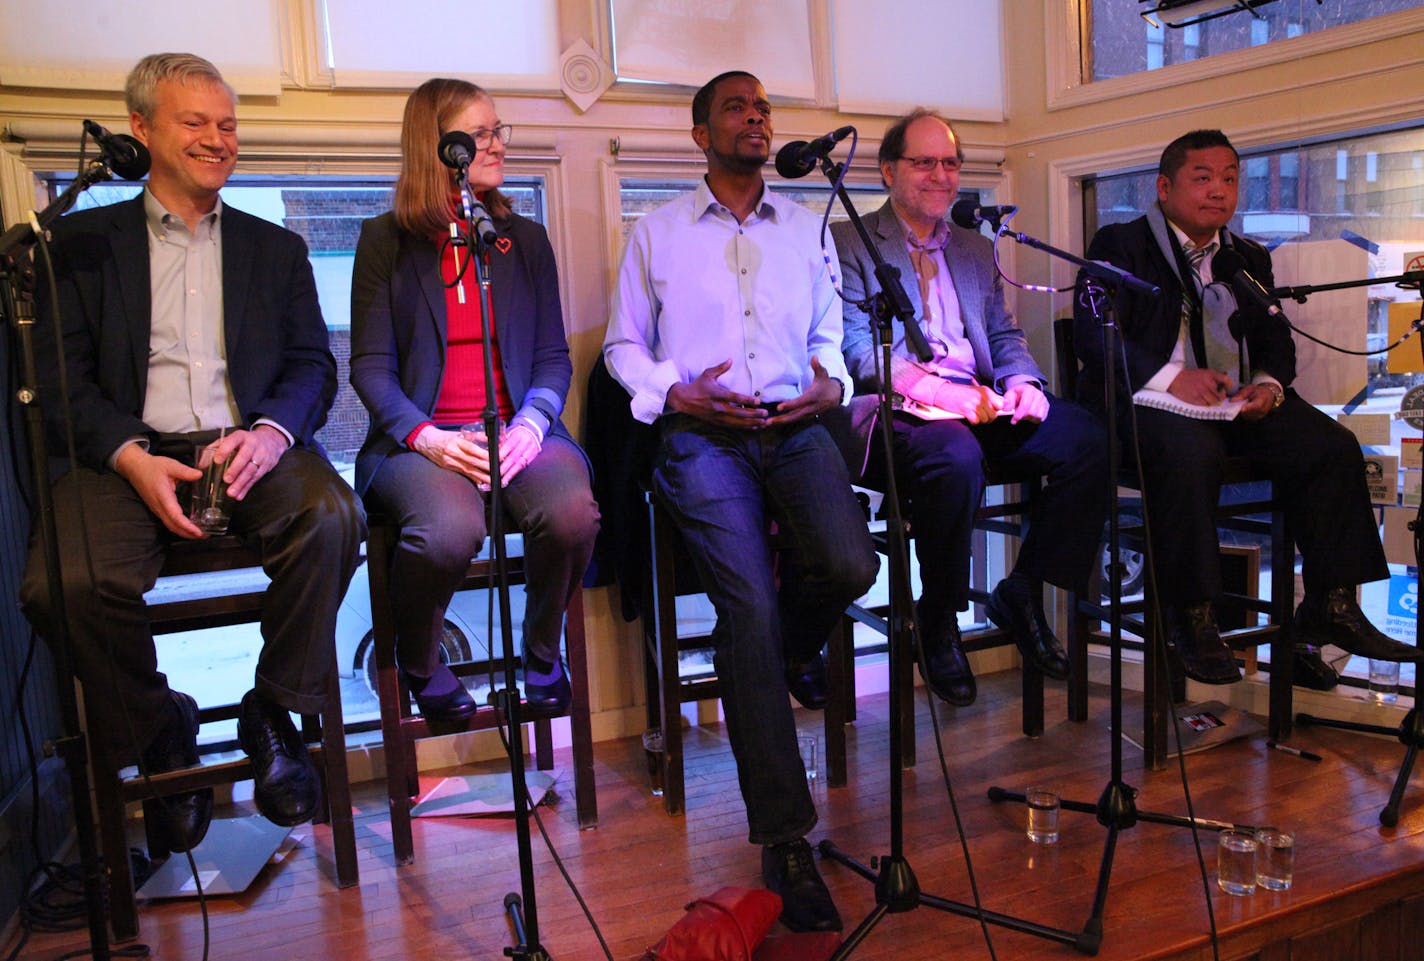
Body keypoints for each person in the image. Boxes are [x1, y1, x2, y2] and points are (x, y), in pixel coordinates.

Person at [20, 53, 366, 853]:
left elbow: (314, 364)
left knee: (332, 518)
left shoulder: (273, 249)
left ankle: (272, 710)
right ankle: (160, 727)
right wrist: (131, 457)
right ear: (140, 129)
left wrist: (273, 430)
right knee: (60, 582)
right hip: (126, 449)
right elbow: (57, 377)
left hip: (247, 443)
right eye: (196, 122)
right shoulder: (76, 244)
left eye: (229, 124)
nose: (218, 139)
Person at [603, 70, 879, 933]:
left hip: (796, 427)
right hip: (703, 436)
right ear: (700, 134)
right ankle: (786, 839)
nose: (757, 117)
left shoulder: (808, 228)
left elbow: (829, 330)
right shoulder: (657, 232)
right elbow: (621, 346)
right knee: (748, 606)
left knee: (849, 562)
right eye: (737, 106)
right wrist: (673, 392)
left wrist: (828, 385)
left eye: (764, 107)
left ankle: (781, 656)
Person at [1072, 128, 1419, 688]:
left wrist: (1268, 384)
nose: (1219, 191)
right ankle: (1195, 616)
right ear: (1165, 187)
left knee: (1330, 446)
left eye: (1230, 180)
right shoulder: (1120, 245)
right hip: (1148, 403)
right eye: (1202, 178)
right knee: (1190, 452)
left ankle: (1329, 603)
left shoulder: (1247, 255)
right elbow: (1095, 339)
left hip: (1231, 401)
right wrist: (1173, 378)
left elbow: (1275, 339)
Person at [833, 108, 1109, 707]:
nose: (942, 175)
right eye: (924, 162)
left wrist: (1024, 383)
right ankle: (939, 620)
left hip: (980, 402)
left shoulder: (974, 248)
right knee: (955, 462)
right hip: (903, 410)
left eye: (951, 163)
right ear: (887, 171)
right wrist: (941, 394)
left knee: (1086, 437)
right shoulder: (848, 241)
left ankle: (1025, 587)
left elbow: (1003, 334)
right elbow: (854, 349)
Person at [350, 78, 598, 723]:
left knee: (571, 512)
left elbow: (551, 356)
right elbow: (371, 369)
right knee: (448, 532)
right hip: (422, 440)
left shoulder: (525, 240)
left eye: (498, 130)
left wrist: (533, 425)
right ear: (437, 147)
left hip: (515, 425)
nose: (496, 145)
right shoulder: (385, 242)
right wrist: (427, 436)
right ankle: (421, 662)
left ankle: (543, 655)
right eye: (479, 134)